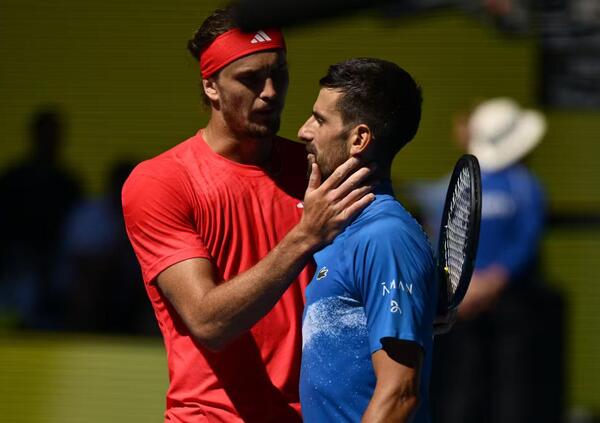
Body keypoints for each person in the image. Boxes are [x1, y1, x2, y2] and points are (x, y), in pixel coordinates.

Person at [121, 8, 375, 422]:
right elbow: (208, 321)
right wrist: (305, 235)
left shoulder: (316, 169)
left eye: (279, 74)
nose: (271, 92)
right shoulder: (160, 181)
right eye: (250, 79)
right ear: (211, 87)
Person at [298, 58, 437, 422]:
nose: (303, 130)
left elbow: (399, 393)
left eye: (320, 119)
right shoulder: (342, 231)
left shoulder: (385, 237)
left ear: (359, 138)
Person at [425, 98, 564, 423]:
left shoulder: (464, 182)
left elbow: (442, 239)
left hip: (473, 299)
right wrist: (489, 284)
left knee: (471, 383)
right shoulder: (523, 184)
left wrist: (470, 287)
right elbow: (526, 241)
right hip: (497, 301)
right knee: (501, 386)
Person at [0, 107, 81, 329]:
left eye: (54, 135)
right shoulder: (14, 177)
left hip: (56, 261)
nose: (50, 140)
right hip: (15, 262)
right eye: (45, 134)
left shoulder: (68, 182)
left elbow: (75, 229)